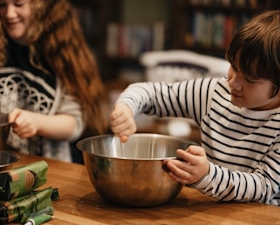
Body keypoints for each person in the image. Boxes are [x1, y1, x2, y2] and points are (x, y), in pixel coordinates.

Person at [110, 10, 280, 205]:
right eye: (234, 67)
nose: (233, 83)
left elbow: (264, 187)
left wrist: (207, 175)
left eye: (250, 79)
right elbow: (150, 93)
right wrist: (126, 108)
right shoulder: (213, 93)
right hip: (211, 212)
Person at [0, 0, 107, 162]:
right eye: (1, 5)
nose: (9, 14)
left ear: (41, 4)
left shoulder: (62, 51)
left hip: (44, 170)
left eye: (18, 4)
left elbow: (74, 125)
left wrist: (36, 122)